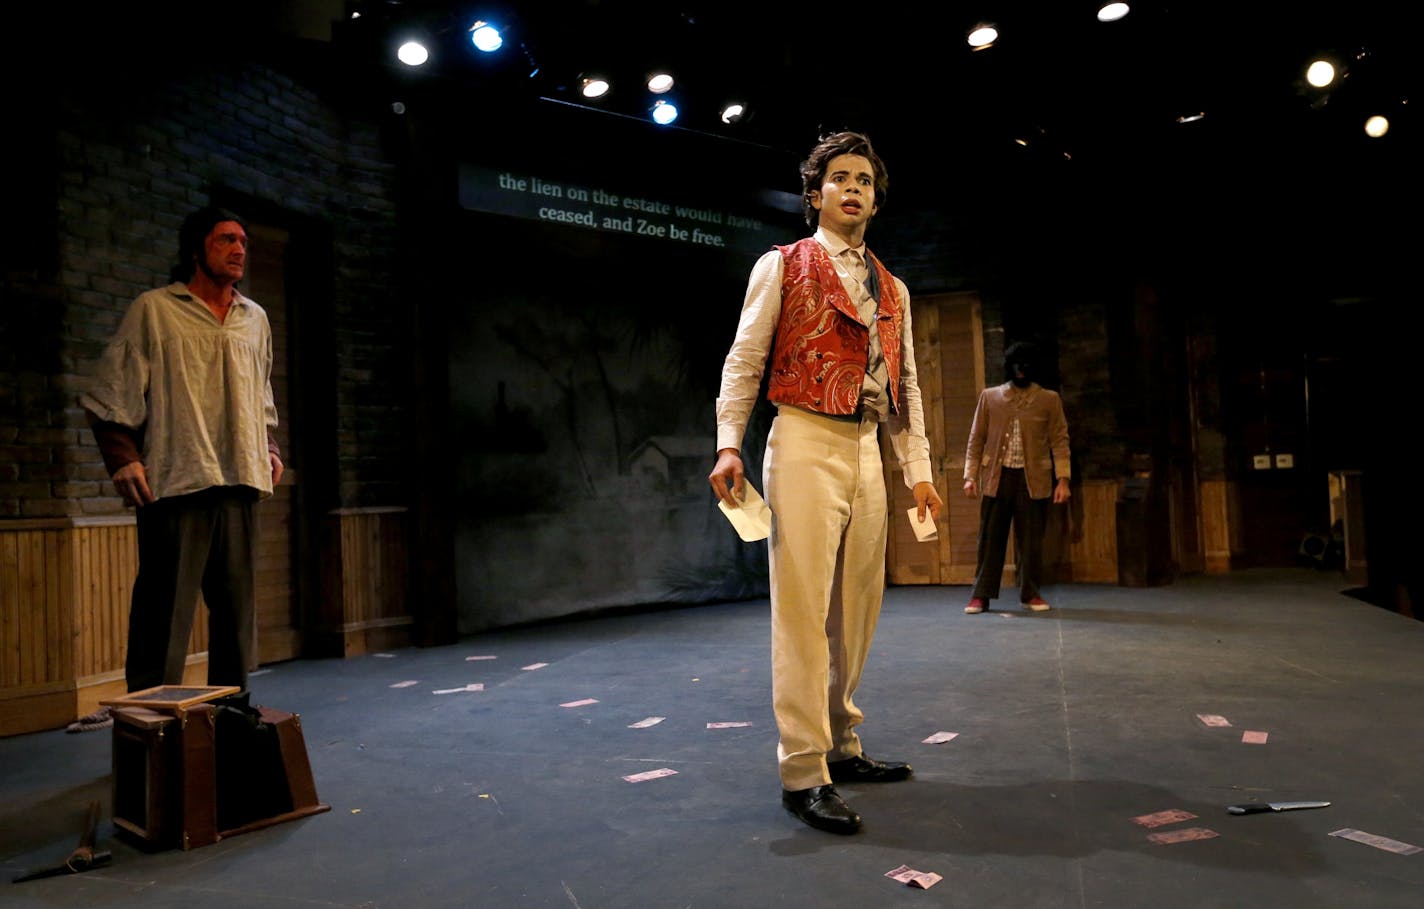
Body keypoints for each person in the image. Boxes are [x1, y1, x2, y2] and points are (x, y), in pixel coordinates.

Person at [709, 132, 943, 835]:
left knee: (857, 609)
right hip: (804, 438)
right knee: (803, 613)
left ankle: (843, 741)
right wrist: (728, 443)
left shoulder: (892, 286)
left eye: (864, 180)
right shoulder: (782, 266)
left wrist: (920, 471)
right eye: (839, 178)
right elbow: (743, 360)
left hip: (867, 448)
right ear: (815, 194)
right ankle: (803, 768)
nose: (853, 189)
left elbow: (906, 387)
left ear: (875, 195)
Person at [78, 206, 283, 699]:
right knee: (162, 618)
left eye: (243, 242)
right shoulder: (155, 309)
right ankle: (152, 733)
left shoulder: (255, 319)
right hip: (176, 481)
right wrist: (121, 454)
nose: (238, 250)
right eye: (225, 240)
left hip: (240, 479)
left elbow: (261, 393)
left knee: (235, 620)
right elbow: (111, 389)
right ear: (196, 249)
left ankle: (232, 727)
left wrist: (270, 445)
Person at [962, 341, 1070, 614]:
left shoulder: (1048, 400)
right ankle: (981, 595)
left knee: (1032, 540)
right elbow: (976, 439)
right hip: (997, 478)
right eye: (1016, 367)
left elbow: (1059, 440)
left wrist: (1063, 480)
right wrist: (970, 476)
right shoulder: (990, 397)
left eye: (1025, 367)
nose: (1020, 372)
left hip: (1033, 480)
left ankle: (1030, 592)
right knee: (990, 539)